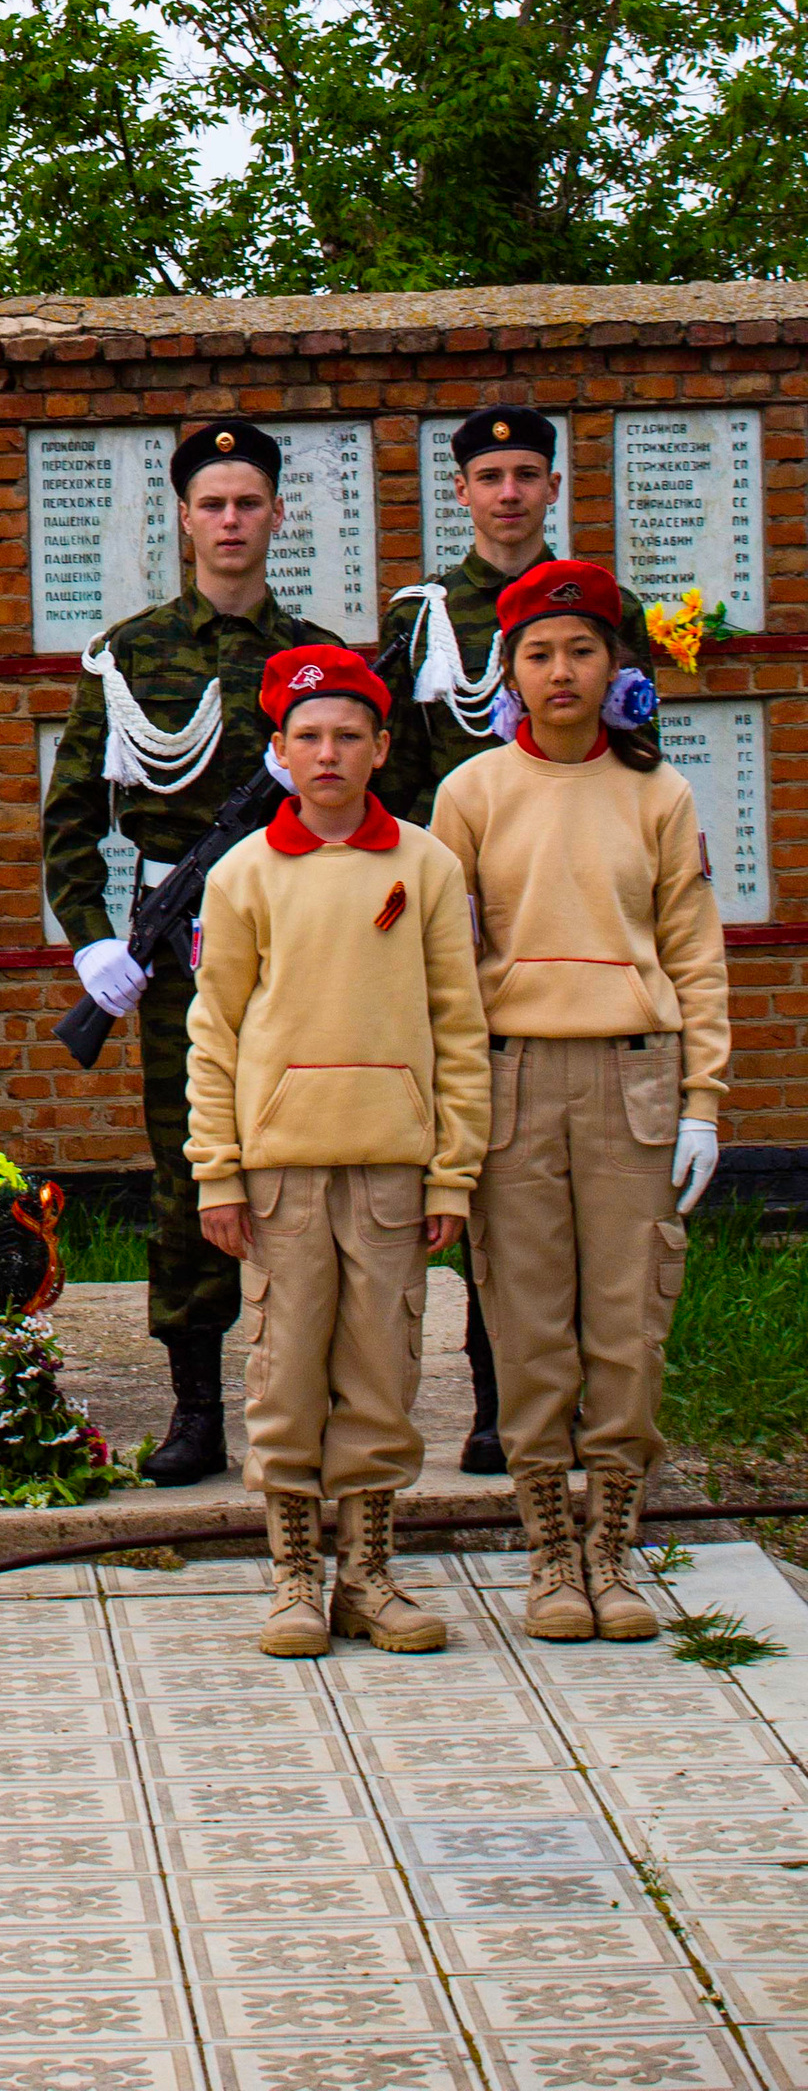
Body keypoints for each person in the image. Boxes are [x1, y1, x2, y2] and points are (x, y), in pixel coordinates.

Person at [429, 559, 728, 1644]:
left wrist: (701, 1099)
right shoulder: (470, 794)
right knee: (528, 1328)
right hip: (513, 1081)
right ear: (509, 672)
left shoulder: (657, 794)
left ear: (615, 666)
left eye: (581, 650)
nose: (561, 672)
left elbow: (695, 957)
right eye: (538, 654)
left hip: (632, 1082)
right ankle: (548, 1551)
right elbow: (449, 967)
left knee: (626, 1325)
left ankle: (613, 1547)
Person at [43, 418, 340, 1484]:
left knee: (308, 1163)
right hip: (176, 957)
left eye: (247, 503)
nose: (229, 522)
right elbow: (71, 815)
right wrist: (89, 947)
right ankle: (195, 1410)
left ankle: (309, 1390)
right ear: (182, 517)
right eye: (211, 504)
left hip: (299, 950)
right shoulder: (128, 654)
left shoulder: (315, 664)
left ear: (274, 516)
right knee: (187, 1174)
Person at [188, 645, 490, 1659]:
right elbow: (214, 1032)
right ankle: (291, 1574)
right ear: (278, 749)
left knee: (379, 1369)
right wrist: (217, 1170)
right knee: (283, 1371)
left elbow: (458, 1026)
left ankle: (367, 1570)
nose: (327, 754)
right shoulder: (243, 874)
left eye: (347, 736)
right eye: (307, 736)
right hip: (280, 1169)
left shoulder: (425, 864)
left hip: (393, 1165)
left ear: (379, 747)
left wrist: (451, 1168)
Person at [375, 404, 653, 1473]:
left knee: (576, 1194)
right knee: (492, 1176)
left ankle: (573, 1399)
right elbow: (393, 777)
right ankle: (496, 1403)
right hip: (466, 916)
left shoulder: (604, 608)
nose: (505, 493)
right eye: (487, 475)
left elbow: (635, 754)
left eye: (524, 474)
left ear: (550, 488)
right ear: (460, 491)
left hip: (576, 911)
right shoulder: (423, 616)